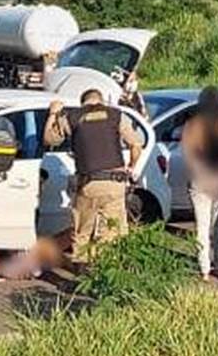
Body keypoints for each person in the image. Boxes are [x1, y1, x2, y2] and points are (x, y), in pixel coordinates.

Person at [43, 88, 143, 262]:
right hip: (115, 183)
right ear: (101, 101)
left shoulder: (72, 117)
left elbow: (49, 140)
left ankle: (82, 272)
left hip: (89, 184)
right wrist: (131, 166)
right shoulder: (116, 115)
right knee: (111, 232)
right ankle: (106, 272)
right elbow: (136, 145)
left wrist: (53, 114)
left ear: (84, 102)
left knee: (82, 232)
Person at [180, 86, 218, 282]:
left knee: (202, 226)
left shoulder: (193, 125)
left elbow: (188, 154)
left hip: (200, 180)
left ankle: (204, 269)